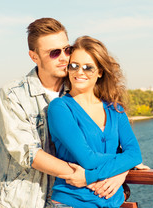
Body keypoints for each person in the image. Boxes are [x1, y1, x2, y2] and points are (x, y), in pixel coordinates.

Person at [0, 18, 127, 208]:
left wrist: (123, 171)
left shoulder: (80, 90)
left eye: (67, 49)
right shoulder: (13, 95)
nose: (64, 57)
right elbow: (30, 154)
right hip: (25, 203)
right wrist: (86, 176)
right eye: (54, 53)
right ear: (34, 56)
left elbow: (115, 146)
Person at [47, 36, 145, 208]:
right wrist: (126, 162)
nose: (79, 72)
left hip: (114, 203)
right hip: (72, 203)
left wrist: (119, 171)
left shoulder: (115, 109)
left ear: (100, 72)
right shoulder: (60, 108)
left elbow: (135, 154)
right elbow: (88, 159)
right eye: (74, 66)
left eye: (88, 68)